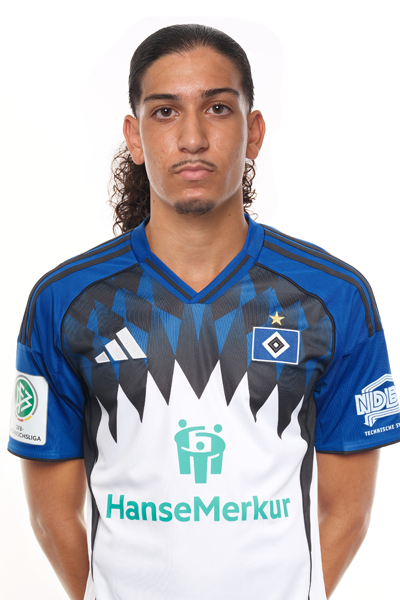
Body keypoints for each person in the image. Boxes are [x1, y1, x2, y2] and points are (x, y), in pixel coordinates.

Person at [8, 23, 399, 600]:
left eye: (217, 108)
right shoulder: (66, 301)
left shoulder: (333, 296)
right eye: (165, 112)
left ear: (254, 131)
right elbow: (52, 517)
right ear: (134, 137)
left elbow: (348, 513)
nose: (192, 137)